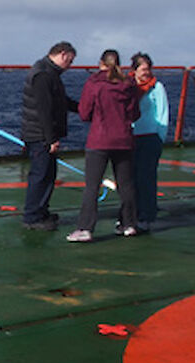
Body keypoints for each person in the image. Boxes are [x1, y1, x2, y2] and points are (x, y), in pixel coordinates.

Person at [67, 49, 140, 243]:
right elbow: (135, 113)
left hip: (99, 140)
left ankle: (85, 228)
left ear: (101, 63)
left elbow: (84, 112)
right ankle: (129, 223)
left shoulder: (94, 84)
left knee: (92, 186)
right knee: (126, 184)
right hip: (124, 139)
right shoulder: (128, 85)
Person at [20, 41, 80, 231]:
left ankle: (41, 211)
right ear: (63, 54)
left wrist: (84, 109)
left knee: (48, 174)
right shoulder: (43, 75)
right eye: (70, 62)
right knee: (40, 175)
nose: (70, 67)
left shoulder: (49, 72)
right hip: (39, 135)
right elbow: (44, 110)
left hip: (40, 133)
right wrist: (50, 139)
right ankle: (32, 217)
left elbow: (61, 101)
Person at [130, 52, 169, 232]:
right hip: (130, 137)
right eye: (143, 69)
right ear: (135, 70)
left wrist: (160, 138)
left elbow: (163, 113)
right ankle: (130, 215)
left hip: (149, 138)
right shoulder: (127, 86)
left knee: (146, 178)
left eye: (148, 69)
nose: (146, 73)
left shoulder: (157, 88)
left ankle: (146, 215)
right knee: (129, 179)